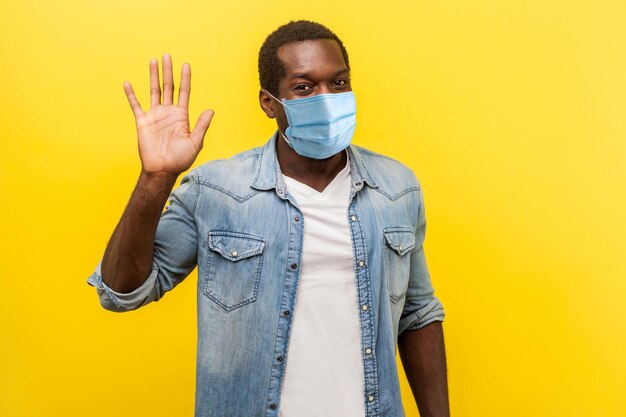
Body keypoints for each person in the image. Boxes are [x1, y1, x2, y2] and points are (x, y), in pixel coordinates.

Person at [86, 20, 449, 417]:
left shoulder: (397, 187)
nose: (327, 98)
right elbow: (122, 292)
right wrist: (156, 179)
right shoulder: (217, 190)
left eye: (339, 83)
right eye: (305, 87)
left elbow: (418, 314)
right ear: (269, 102)